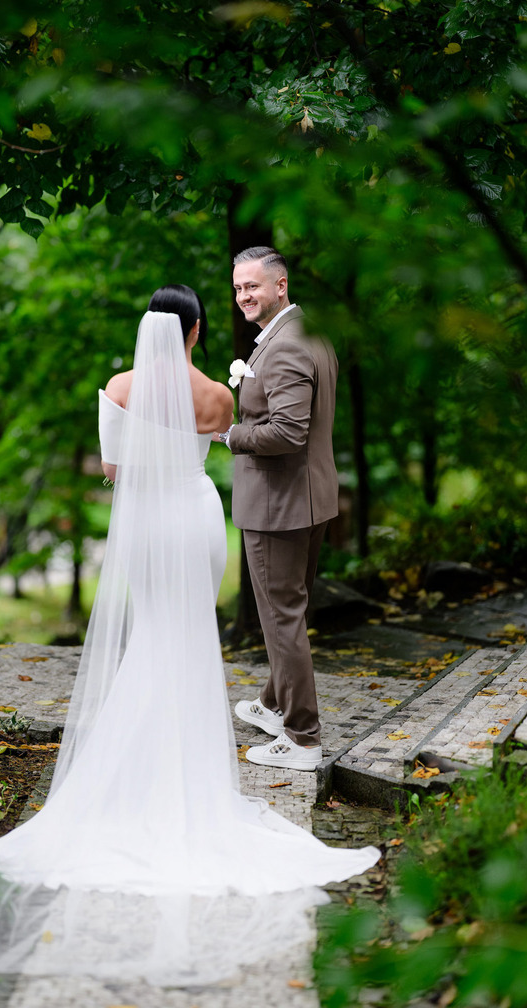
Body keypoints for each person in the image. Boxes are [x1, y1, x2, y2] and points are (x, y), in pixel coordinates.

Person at [0, 284, 378, 986]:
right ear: (193, 333)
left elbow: (112, 470)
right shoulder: (218, 395)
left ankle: (133, 779)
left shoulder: (119, 386)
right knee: (192, 641)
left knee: (152, 640)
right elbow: (222, 448)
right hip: (195, 518)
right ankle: (191, 783)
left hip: (146, 523)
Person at [215, 247, 338, 772]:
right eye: (238, 287)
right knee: (288, 612)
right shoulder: (309, 332)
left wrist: (230, 435)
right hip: (308, 499)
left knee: (281, 617)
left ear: (280, 285)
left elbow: (289, 432)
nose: (244, 296)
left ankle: (303, 737)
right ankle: (272, 703)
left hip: (279, 507)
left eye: (253, 287)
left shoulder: (285, 346)